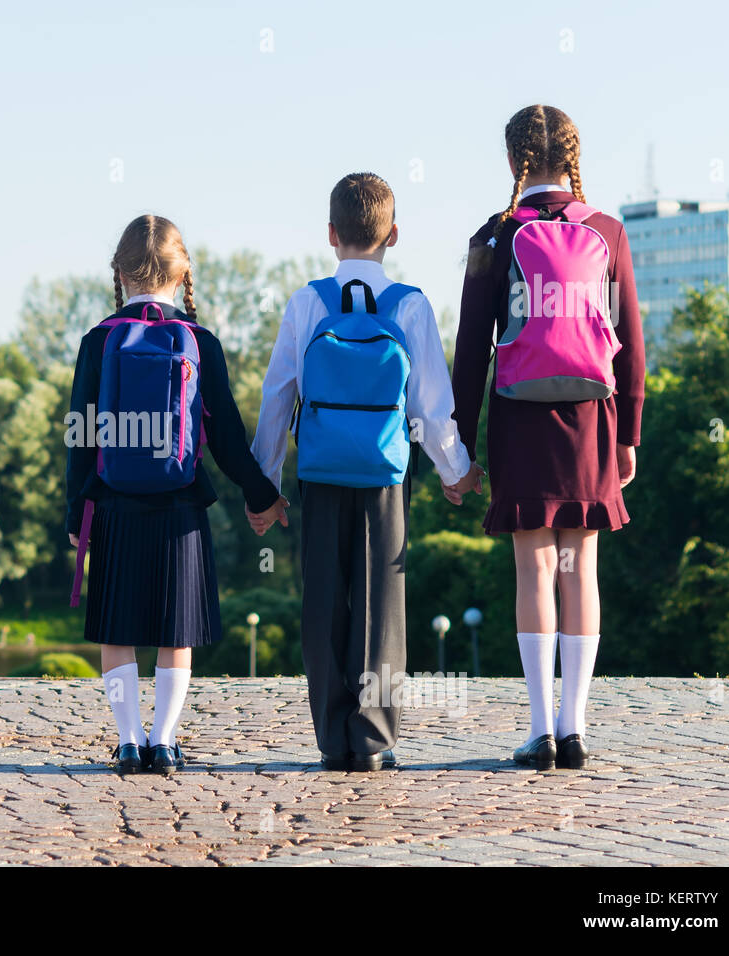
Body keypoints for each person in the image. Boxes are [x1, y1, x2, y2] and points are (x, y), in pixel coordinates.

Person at [249, 173, 480, 772]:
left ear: (330, 234)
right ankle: (373, 741)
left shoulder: (307, 303)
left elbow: (278, 397)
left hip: (321, 474)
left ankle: (332, 739)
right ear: (393, 234)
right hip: (384, 476)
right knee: (383, 608)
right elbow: (431, 406)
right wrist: (457, 471)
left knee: (324, 602)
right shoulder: (410, 305)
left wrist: (263, 487)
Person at [451, 105, 645, 770]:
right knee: (579, 567)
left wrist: (461, 445)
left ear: (513, 163)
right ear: (574, 157)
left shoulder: (494, 235)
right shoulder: (609, 232)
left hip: (517, 412)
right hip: (593, 414)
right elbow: (632, 347)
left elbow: (473, 346)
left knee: (534, 566)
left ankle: (538, 730)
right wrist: (631, 435)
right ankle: (576, 727)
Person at [65, 214, 283, 775]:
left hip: (112, 503)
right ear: (183, 270)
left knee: (117, 631)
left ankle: (129, 740)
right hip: (181, 506)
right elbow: (229, 438)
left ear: (119, 271)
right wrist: (263, 496)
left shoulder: (98, 340)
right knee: (174, 632)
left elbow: (80, 433)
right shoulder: (199, 342)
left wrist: (75, 512)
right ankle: (165, 741)